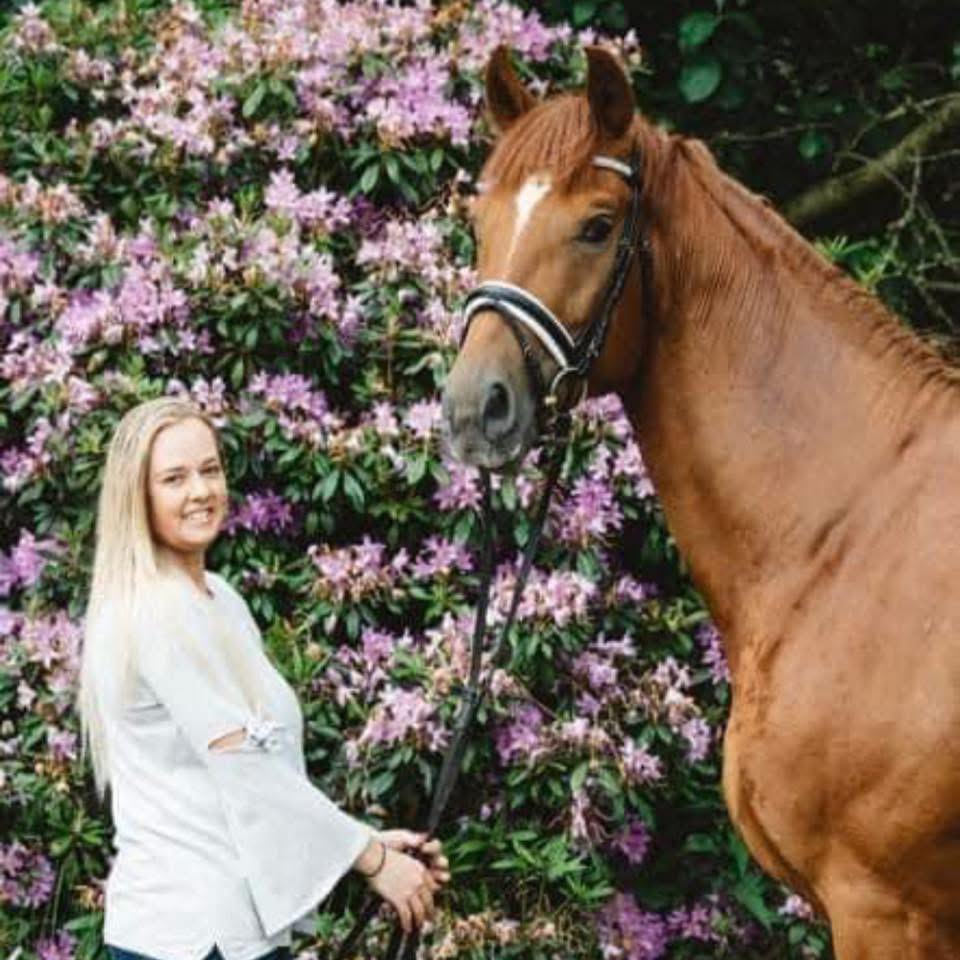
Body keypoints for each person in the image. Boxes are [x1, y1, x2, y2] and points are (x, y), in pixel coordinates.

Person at [77, 397, 449, 960]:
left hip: (235, 932)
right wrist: (371, 862)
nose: (201, 491)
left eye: (210, 469)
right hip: (188, 937)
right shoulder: (153, 613)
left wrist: (362, 843)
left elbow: (265, 765)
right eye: (174, 478)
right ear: (139, 498)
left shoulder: (218, 599)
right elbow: (243, 768)